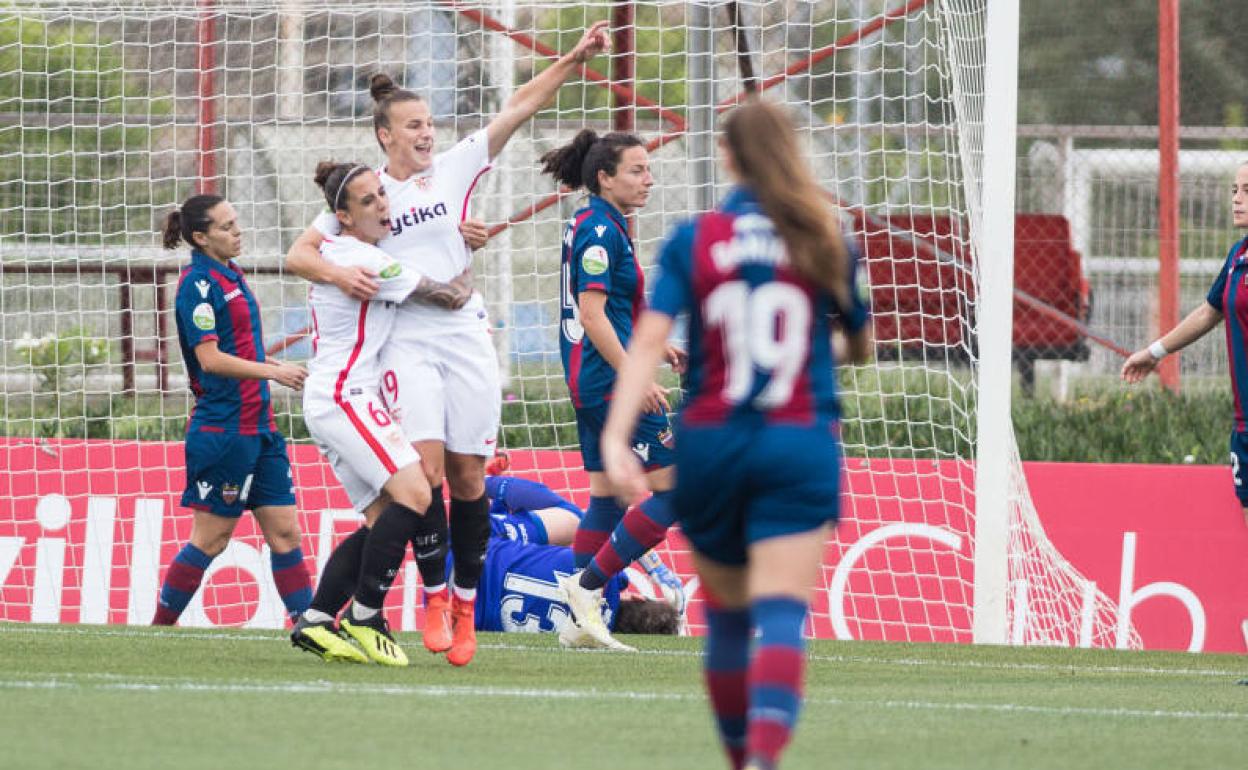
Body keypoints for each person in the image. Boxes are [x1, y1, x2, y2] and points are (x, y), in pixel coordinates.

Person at [285, 22, 613, 667]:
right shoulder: (364, 192)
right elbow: (302, 252)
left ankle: (464, 600)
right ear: (386, 135)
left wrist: (573, 59)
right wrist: (340, 272)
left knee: (470, 480)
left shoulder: (455, 168)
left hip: (467, 337)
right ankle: (433, 598)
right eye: (413, 125)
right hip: (404, 345)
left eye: (430, 122)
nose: (427, 132)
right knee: (424, 480)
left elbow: (519, 106)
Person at [600, 100, 871, 770]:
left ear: (726, 157)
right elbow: (860, 345)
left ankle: (735, 756)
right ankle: (763, 761)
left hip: (713, 443)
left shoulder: (697, 238)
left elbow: (649, 343)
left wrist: (615, 437)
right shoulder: (825, 235)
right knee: (780, 612)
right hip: (797, 439)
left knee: (725, 619)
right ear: (793, 154)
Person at [289, 161, 442, 666]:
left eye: (383, 195)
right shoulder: (365, 258)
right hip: (345, 395)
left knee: (381, 520)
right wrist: (457, 245)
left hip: (335, 397)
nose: (383, 206)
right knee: (417, 492)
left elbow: (302, 249)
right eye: (370, 201)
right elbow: (442, 291)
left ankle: (315, 620)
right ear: (344, 216)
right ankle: (366, 613)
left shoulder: (331, 244)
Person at [539, 129, 686, 652]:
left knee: (605, 499)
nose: (648, 179)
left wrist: (659, 345)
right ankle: (586, 589)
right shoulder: (598, 229)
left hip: (592, 379)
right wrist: (635, 378)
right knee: (677, 492)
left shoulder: (605, 224)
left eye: (648, 169)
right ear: (604, 177)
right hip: (606, 380)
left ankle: (582, 619)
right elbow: (592, 312)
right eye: (636, 170)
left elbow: (618, 309)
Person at [153, 194, 314, 633]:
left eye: (236, 222)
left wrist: (269, 374)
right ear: (201, 237)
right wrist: (273, 370)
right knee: (211, 539)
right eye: (226, 227)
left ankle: (311, 627)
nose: (237, 231)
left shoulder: (231, 274)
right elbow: (209, 358)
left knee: (285, 534)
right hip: (224, 428)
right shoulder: (197, 285)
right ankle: (158, 629)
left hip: (259, 427)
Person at [1123, 161, 1248, 534]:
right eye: (1234, 191)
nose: (1237, 200)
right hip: (1244, 423)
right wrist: (1154, 352)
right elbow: (1210, 311)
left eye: (1247, 191)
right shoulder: (1238, 256)